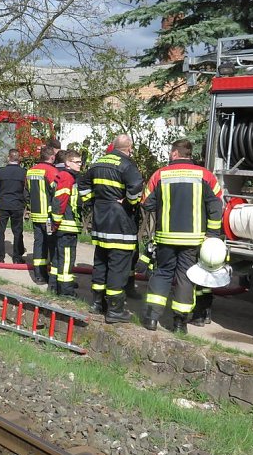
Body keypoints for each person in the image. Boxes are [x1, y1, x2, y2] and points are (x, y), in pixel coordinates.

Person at [141, 138, 223, 333]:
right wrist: (211, 234)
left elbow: (146, 203)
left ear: (174, 154)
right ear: (189, 154)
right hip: (193, 239)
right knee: (186, 278)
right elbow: (217, 205)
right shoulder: (206, 176)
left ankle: (152, 319)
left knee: (162, 274)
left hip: (166, 237)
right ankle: (179, 324)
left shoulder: (160, 174)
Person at [78, 134, 143, 323]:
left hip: (101, 221)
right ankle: (115, 309)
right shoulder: (127, 164)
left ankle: (97, 303)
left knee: (101, 261)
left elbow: (82, 184)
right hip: (120, 223)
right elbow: (136, 187)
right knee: (118, 266)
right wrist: (129, 203)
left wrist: (91, 202)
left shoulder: (98, 163)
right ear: (129, 147)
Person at [50, 150, 83, 296]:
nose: (80, 165)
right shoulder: (67, 177)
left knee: (58, 257)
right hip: (67, 226)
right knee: (67, 258)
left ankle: (54, 286)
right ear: (68, 163)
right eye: (77, 162)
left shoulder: (65, 176)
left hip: (64, 225)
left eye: (80, 162)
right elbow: (60, 201)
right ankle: (66, 291)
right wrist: (56, 222)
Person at [26, 145, 58, 285]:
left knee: (39, 243)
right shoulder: (51, 171)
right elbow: (57, 193)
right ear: (52, 157)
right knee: (52, 245)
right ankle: (52, 276)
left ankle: (38, 275)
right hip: (48, 215)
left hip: (36, 213)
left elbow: (26, 193)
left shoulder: (30, 171)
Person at [0, 149, 27, 263]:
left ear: (8, 158)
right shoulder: (24, 172)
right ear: (19, 159)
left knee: (0, 230)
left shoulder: (1, 172)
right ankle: (17, 257)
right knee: (17, 231)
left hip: (2, 204)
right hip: (17, 205)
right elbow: (26, 190)